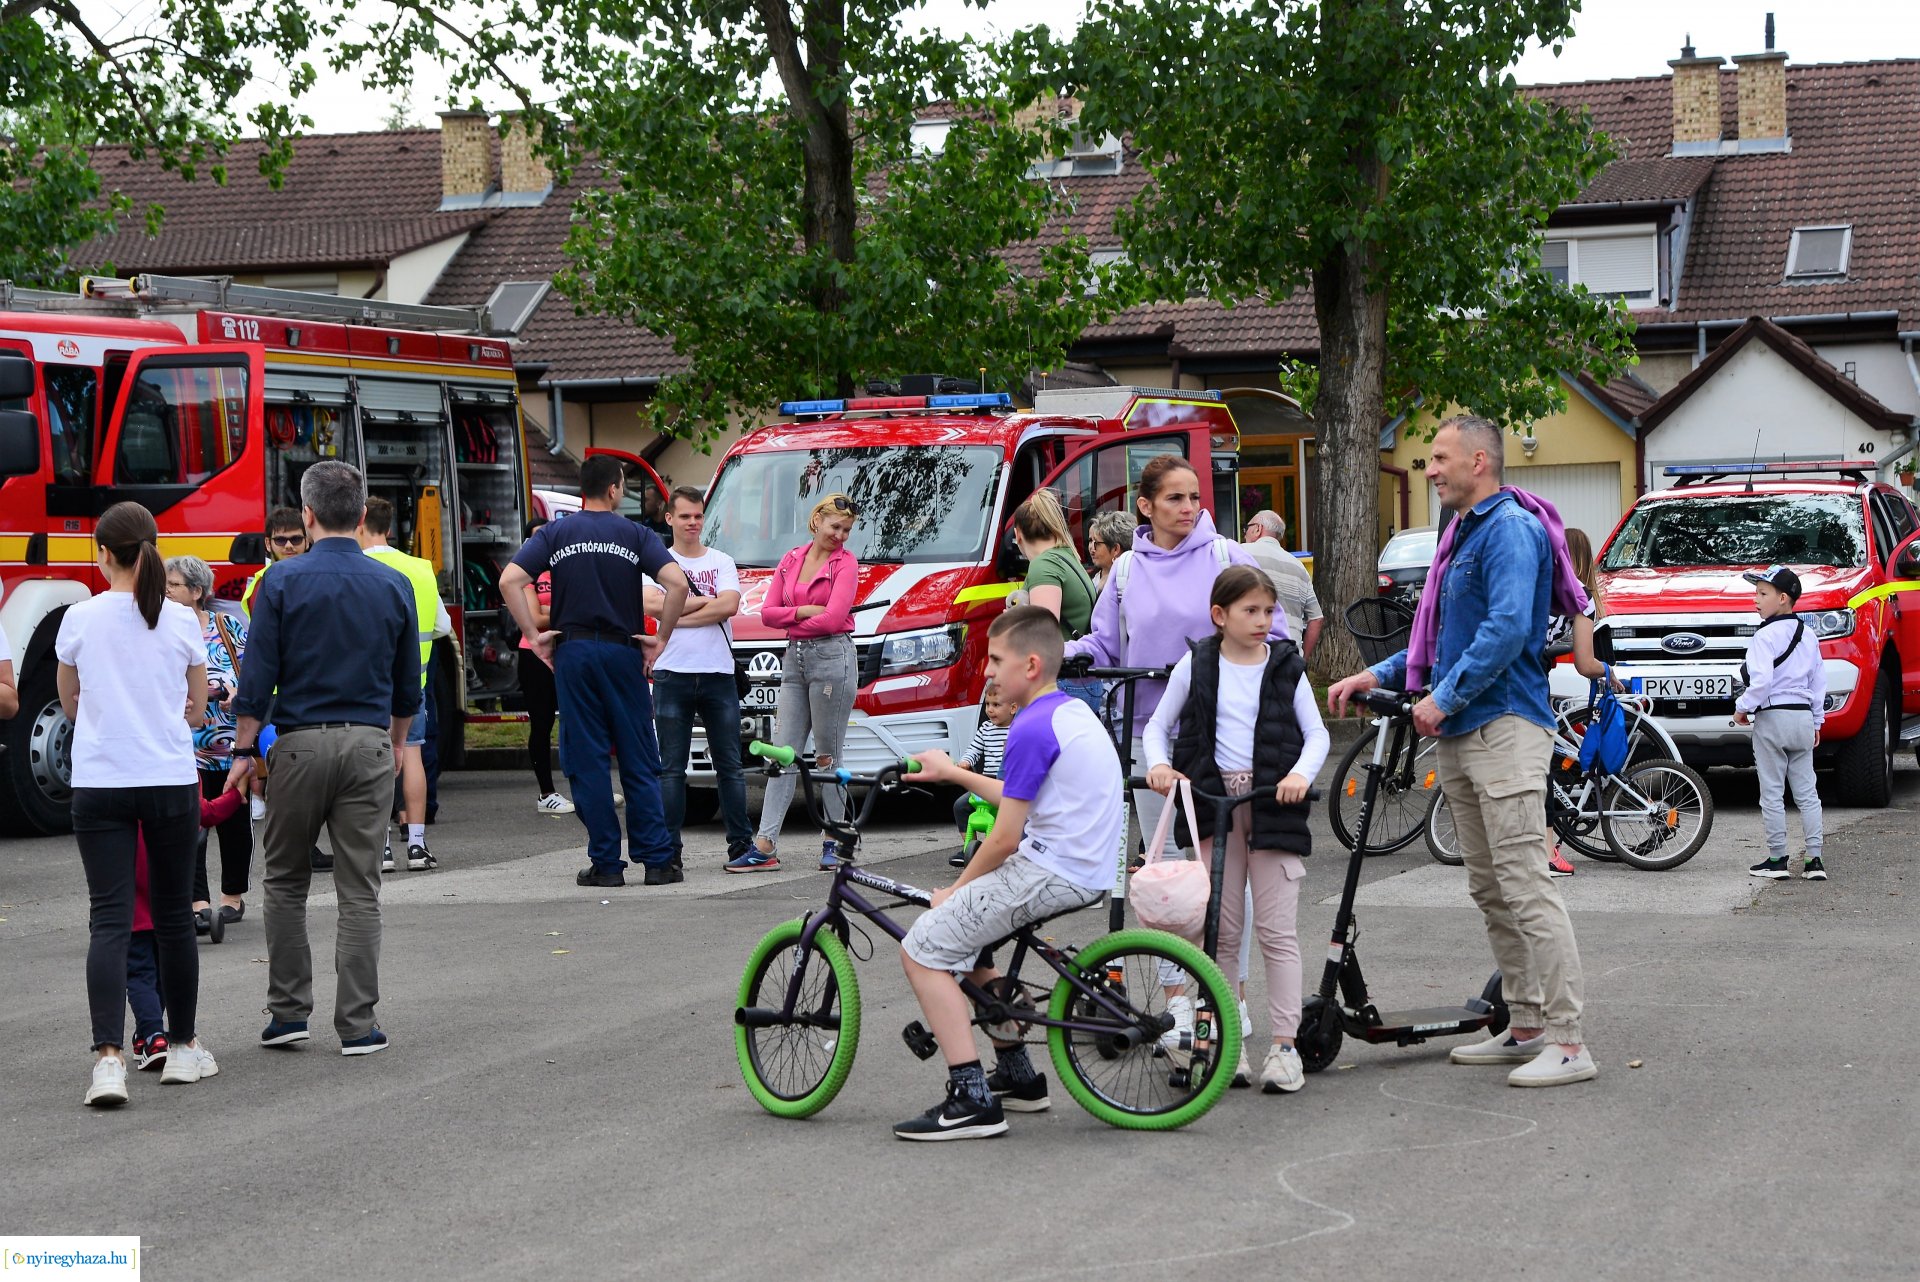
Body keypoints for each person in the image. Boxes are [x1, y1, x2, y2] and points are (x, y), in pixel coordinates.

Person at [1328, 415, 1595, 1088]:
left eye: (1439, 458)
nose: (1430, 470)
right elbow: (1444, 639)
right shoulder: (1461, 533)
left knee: (1526, 885)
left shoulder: (1509, 530)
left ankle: (1569, 1040)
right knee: (1491, 886)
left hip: (1503, 726)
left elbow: (1507, 630)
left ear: (1480, 461)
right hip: (1465, 730)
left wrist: (1441, 699)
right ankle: (1526, 1025)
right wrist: (1378, 675)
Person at [901, 607, 1119, 1139]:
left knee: (922, 949)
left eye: (996, 660)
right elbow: (1018, 794)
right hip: (1086, 866)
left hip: (1052, 868)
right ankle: (1019, 1078)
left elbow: (1003, 837)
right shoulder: (1065, 712)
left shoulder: (1029, 727)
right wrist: (954, 773)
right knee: (972, 946)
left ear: (1031, 663)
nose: (988, 672)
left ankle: (971, 1098)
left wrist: (953, 890)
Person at [228, 462, 420, 1057]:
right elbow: (407, 685)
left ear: (306, 516)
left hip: (299, 743)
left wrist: (241, 749)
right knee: (359, 887)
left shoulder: (280, 583)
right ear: (361, 516)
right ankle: (358, 1025)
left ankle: (288, 1013)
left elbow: (257, 678)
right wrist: (392, 740)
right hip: (367, 739)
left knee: (284, 882)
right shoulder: (394, 585)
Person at [1144, 567, 1328, 1094]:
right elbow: (1159, 725)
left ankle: (1285, 1047)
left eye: (1269, 612)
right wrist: (1159, 765)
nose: (1263, 621)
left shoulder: (1286, 665)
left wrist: (1298, 776)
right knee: (1220, 932)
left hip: (1272, 806)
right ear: (1220, 616)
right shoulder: (1197, 662)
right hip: (1214, 809)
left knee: (1277, 930)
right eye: (1251, 611)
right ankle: (1227, 1045)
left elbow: (1315, 735)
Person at [58, 501, 215, 1105]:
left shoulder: (79, 617)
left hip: (100, 781)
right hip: (168, 777)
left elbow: (69, 702)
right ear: (152, 549)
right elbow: (197, 709)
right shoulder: (180, 620)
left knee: (110, 919)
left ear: (102, 554)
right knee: (175, 917)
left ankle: (108, 1060)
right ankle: (180, 1048)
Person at [500, 455, 690, 888]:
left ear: (582, 491)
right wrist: (660, 640)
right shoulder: (636, 534)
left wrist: (535, 633)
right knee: (639, 757)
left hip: (576, 652)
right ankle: (657, 861)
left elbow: (510, 580)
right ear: (614, 489)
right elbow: (677, 585)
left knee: (586, 760)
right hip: (623, 653)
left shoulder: (555, 533)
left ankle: (606, 864)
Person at [733, 493, 860, 874]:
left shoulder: (847, 564)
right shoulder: (792, 559)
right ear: (816, 520)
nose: (840, 535)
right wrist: (802, 612)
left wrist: (790, 620)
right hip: (796, 658)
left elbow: (835, 619)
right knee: (782, 754)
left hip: (832, 657)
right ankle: (765, 844)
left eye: (847, 530)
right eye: (835, 526)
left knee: (827, 755)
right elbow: (767, 614)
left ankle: (836, 837)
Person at [640, 486, 755, 870]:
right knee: (671, 768)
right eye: (685, 516)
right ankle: (669, 851)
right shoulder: (655, 563)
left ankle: (741, 846)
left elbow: (730, 605)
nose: (693, 523)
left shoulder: (722, 560)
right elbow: (651, 604)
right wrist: (706, 603)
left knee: (730, 766)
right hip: (672, 673)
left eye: (698, 516)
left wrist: (675, 613)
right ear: (669, 518)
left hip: (718, 673)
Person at [127, 786, 249, 1073]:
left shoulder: (119, 796)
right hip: (167, 906)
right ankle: (151, 1034)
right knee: (165, 970)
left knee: (140, 974)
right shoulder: (174, 782)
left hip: (131, 909)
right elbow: (205, 812)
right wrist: (235, 794)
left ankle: (151, 1035)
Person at [359, 496, 452, 874]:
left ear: (359, 524)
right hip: (415, 682)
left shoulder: (356, 567)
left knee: (372, 762)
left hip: (365, 686)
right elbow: (442, 627)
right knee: (411, 755)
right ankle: (416, 845)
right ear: (390, 527)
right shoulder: (420, 567)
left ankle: (380, 848)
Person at [164, 555, 253, 931]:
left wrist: (237, 692)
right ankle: (198, 900)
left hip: (231, 746)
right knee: (192, 828)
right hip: (185, 748)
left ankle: (231, 897)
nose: (166, 591)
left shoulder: (226, 625)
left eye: (174, 585)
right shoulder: (162, 629)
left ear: (197, 592)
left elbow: (254, 674)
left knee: (234, 826)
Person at [1737, 565, 1827, 881]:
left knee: (1772, 792)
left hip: (1772, 717)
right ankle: (1814, 861)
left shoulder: (1764, 636)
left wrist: (1741, 708)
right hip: (1802, 717)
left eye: (1763, 594)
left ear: (1783, 598)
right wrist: (1817, 720)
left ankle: (1777, 860)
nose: (1755, 600)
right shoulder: (1810, 635)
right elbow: (1818, 683)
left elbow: (1760, 683)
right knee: (1807, 792)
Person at [1012, 489, 1102, 714]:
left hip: (1058, 683)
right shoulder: (1068, 558)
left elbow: (1044, 634)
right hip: (1083, 681)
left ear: (1018, 535)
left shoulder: (1044, 565)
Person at [516, 519, 572, 815]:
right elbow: (535, 618)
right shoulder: (525, 574)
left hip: (568, 651)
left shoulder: (567, 567)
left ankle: (584, 788)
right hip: (534, 656)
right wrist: (569, 609)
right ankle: (546, 793)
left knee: (578, 722)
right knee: (542, 724)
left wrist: (551, 609)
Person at [1242, 510, 1325, 659]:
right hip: (1290, 657)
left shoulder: (1240, 553)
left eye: (1246, 529)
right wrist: (1301, 659)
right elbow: (1316, 619)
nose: (1244, 534)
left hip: (1252, 655)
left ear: (1257, 529)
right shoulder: (1299, 567)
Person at [948, 682, 1013, 868]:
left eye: (996, 705)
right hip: (984, 784)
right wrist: (965, 762)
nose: (990, 710)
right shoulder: (985, 729)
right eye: (987, 705)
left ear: (1014, 707)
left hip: (1006, 784)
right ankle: (969, 846)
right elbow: (973, 750)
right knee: (960, 806)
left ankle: (1006, 847)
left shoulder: (1017, 729)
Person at [241, 506, 307, 616]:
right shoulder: (262, 585)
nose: (288, 546)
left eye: (296, 539)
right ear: (267, 544)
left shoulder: (320, 576)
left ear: (307, 541)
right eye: (280, 540)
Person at [1086, 510, 1132, 596]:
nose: (1091, 548)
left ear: (1115, 549)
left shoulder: (1130, 581)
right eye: (1090, 540)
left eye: (1097, 543)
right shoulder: (1089, 578)